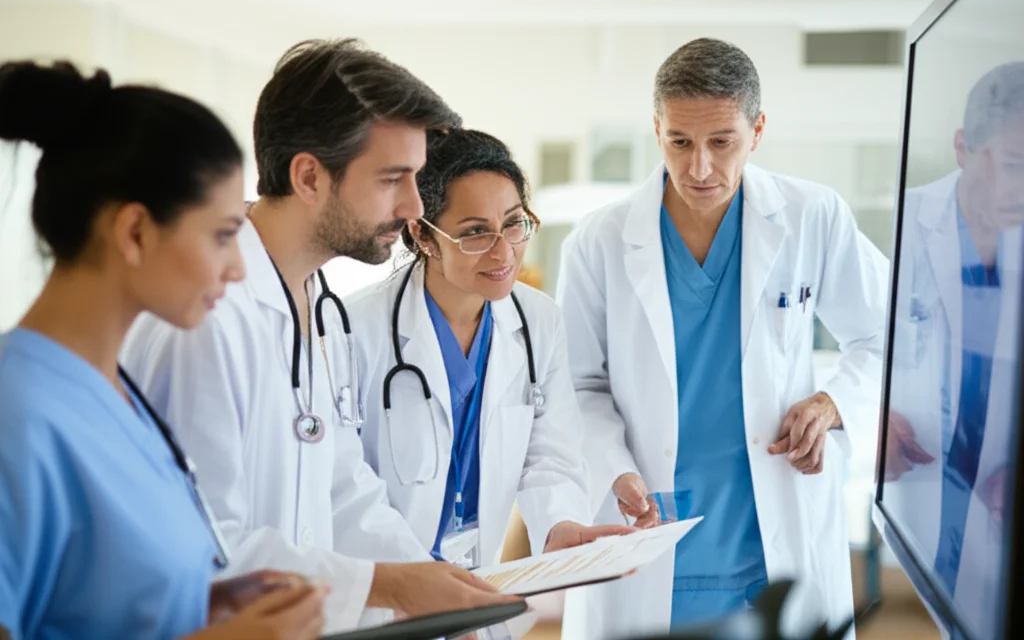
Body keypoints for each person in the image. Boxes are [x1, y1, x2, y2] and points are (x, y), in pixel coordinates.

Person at [120, 39, 520, 633]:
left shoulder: (320, 309)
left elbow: (341, 483)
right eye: (394, 178)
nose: (414, 206)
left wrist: (437, 585)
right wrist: (390, 584)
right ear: (309, 176)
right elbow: (199, 543)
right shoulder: (204, 319)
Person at [557, 37, 890, 640]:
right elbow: (578, 384)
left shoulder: (813, 216)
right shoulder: (598, 242)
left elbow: (886, 336)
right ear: (655, 129)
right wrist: (613, 467)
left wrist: (833, 404)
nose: (699, 168)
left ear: (757, 131)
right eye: (679, 142)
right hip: (648, 542)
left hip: (773, 543)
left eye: (721, 142)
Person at [0, 61, 327, 640]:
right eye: (224, 234)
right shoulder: (16, 412)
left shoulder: (116, 396)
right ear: (134, 233)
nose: (236, 267)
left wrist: (201, 605)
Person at [345, 129, 632, 570]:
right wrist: (424, 584)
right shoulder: (354, 330)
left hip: (483, 583)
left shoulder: (539, 322)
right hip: (383, 584)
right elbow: (346, 484)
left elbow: (551, 453)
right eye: (476, 232)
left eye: (514, 223)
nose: (504, 253)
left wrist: (559, 524)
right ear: (422, 234)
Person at [882, 62, 1024, 640]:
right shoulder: (905, 221)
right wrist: (870, 416)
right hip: (925, 468)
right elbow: (862, 350)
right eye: (1015, 164)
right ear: (964, 149)